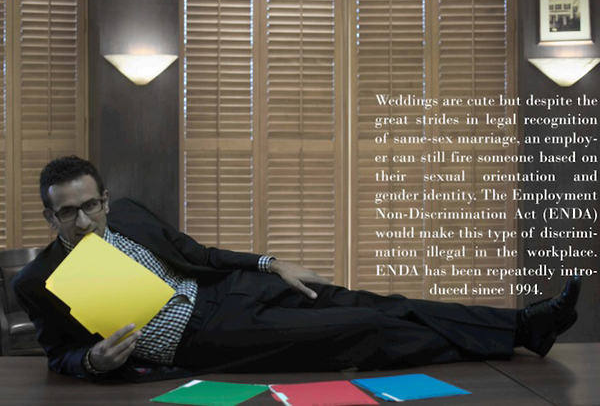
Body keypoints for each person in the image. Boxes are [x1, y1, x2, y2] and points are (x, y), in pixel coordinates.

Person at [13, 156, 581, 383]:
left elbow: (200, 255)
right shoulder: (37, 280)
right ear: (50, 214)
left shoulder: (131, 215)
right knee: (366, 331)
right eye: (68, 212)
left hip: (230, 293)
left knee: (371, 303)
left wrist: (269, 262)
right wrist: (90, 359)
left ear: (106, 200)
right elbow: (57, 352)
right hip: (206, 336)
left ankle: (521, 327)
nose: (83, 220)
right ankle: (501, 342)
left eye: (91, 205)